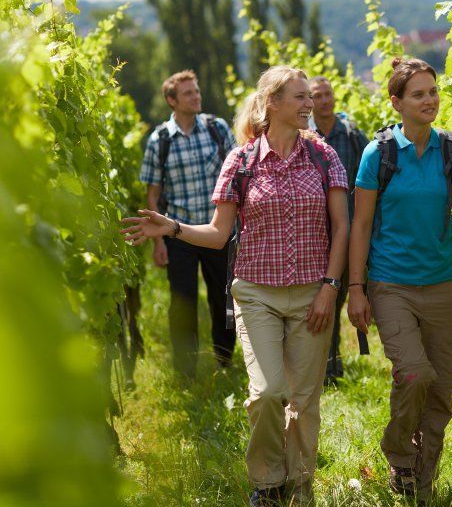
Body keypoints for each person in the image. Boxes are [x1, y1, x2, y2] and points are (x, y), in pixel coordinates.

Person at [123, 66, 349, 507]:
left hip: (312, 293)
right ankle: (266, 482)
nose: (309, 105)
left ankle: (300, 488)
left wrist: (331, 287)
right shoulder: (241, 162)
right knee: (267, 393)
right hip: (256, 293)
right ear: (273, 103)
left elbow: (341, 227)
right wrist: (171, 227)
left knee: (303, 401)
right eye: (300, 98)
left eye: (309, 97)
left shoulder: (323, 157)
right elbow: (218, 233)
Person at [347, 57, 452, 502]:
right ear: (396, 102)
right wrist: (355, 289)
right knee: (414, 374)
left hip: (442, 284)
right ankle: (400, 454)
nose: (429, 100)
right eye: (418, 94)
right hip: (391, 283)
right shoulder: (379, 154)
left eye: (433, 92)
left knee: (440, 389)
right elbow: (360, 226)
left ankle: (423, 478)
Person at [139, 70, 237, 378]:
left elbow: (238, 177)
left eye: (196, 91)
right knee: (182, 302)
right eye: (188, 93)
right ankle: (186, 370)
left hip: (217, 232)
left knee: (223, 298)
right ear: (171, 100)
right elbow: (152, 194)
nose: (196, 96)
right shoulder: (160, 140)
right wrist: (158, 243)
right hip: (178, 234)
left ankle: (224, 360)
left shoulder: (217, 129)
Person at [309, 75, 369, 384]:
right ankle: (328, 368)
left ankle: (332, 364)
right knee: (324, 299)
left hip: (349, 234)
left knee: (341, 295)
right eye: (317, 95)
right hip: (318, 237)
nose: (324, 100)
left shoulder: (352, 135)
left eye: (328, 94)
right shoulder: (304, 138)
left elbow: (370, 181)